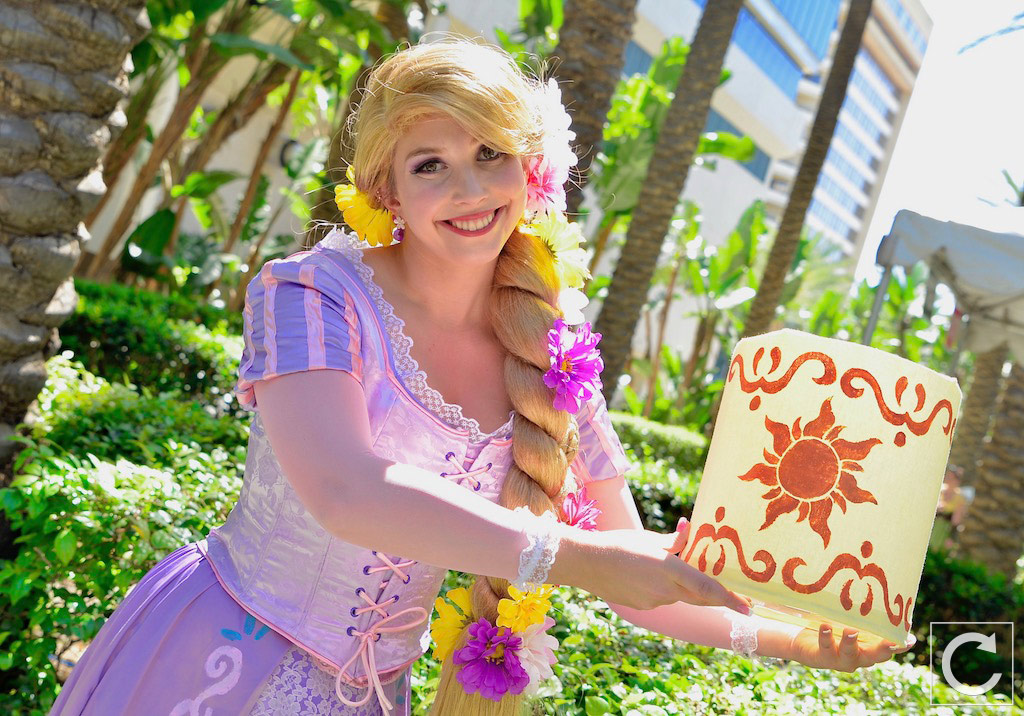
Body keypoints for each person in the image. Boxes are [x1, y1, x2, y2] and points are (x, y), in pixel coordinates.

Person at [51, 38, 912, 716]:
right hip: (222, 665)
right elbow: (346, 490)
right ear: (385, 185)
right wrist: (573, 557)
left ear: (531, 170)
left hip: (379, 699)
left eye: (492, 154)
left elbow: (639, 581)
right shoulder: (310, 292)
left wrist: (796, 636)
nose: (469, 188)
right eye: (430, 164)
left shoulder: (551, 343)